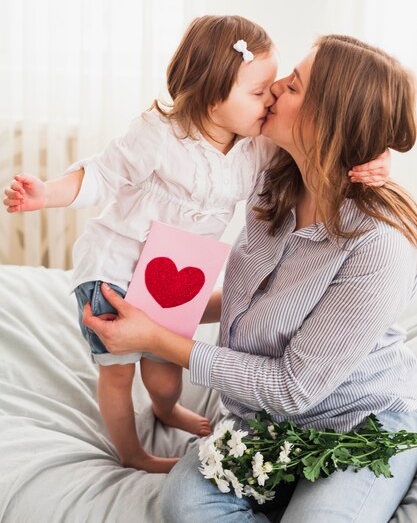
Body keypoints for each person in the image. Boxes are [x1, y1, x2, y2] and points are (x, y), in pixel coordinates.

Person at [3, 17, 386, 475]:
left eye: (275, 88)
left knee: (165, 371)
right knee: (120, 369)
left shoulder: (256, 148)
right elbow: (104, 173)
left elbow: (318, 150)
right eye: (259, 92)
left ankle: (165, 410)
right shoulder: (159, 134)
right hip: (117, 267)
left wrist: (371, 159)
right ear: (211, 95)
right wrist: (48, 193)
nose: (272, 99)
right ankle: (131, 451)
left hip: (173, 276)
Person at [82, 34, 417, 522]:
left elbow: (293, 388)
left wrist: (156, 337)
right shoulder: (272, 176)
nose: (275, 86)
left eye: (294, 85)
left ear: (327, 120)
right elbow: (251, 302)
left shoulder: (379, 246)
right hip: (259, 423)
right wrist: (150, 308)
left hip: (355, 423)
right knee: (185, 506)